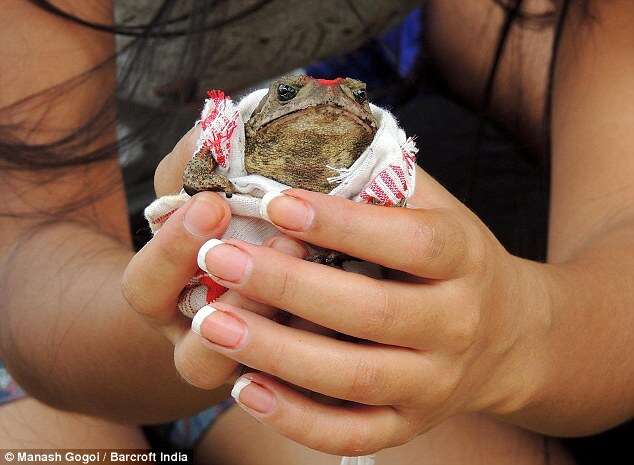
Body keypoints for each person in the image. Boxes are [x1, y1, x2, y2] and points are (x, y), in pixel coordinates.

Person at [1, 1, 632, 464]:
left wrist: (512, 336)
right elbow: (29, 250)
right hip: (59, 294)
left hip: (318, 276)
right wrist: (201, 318)